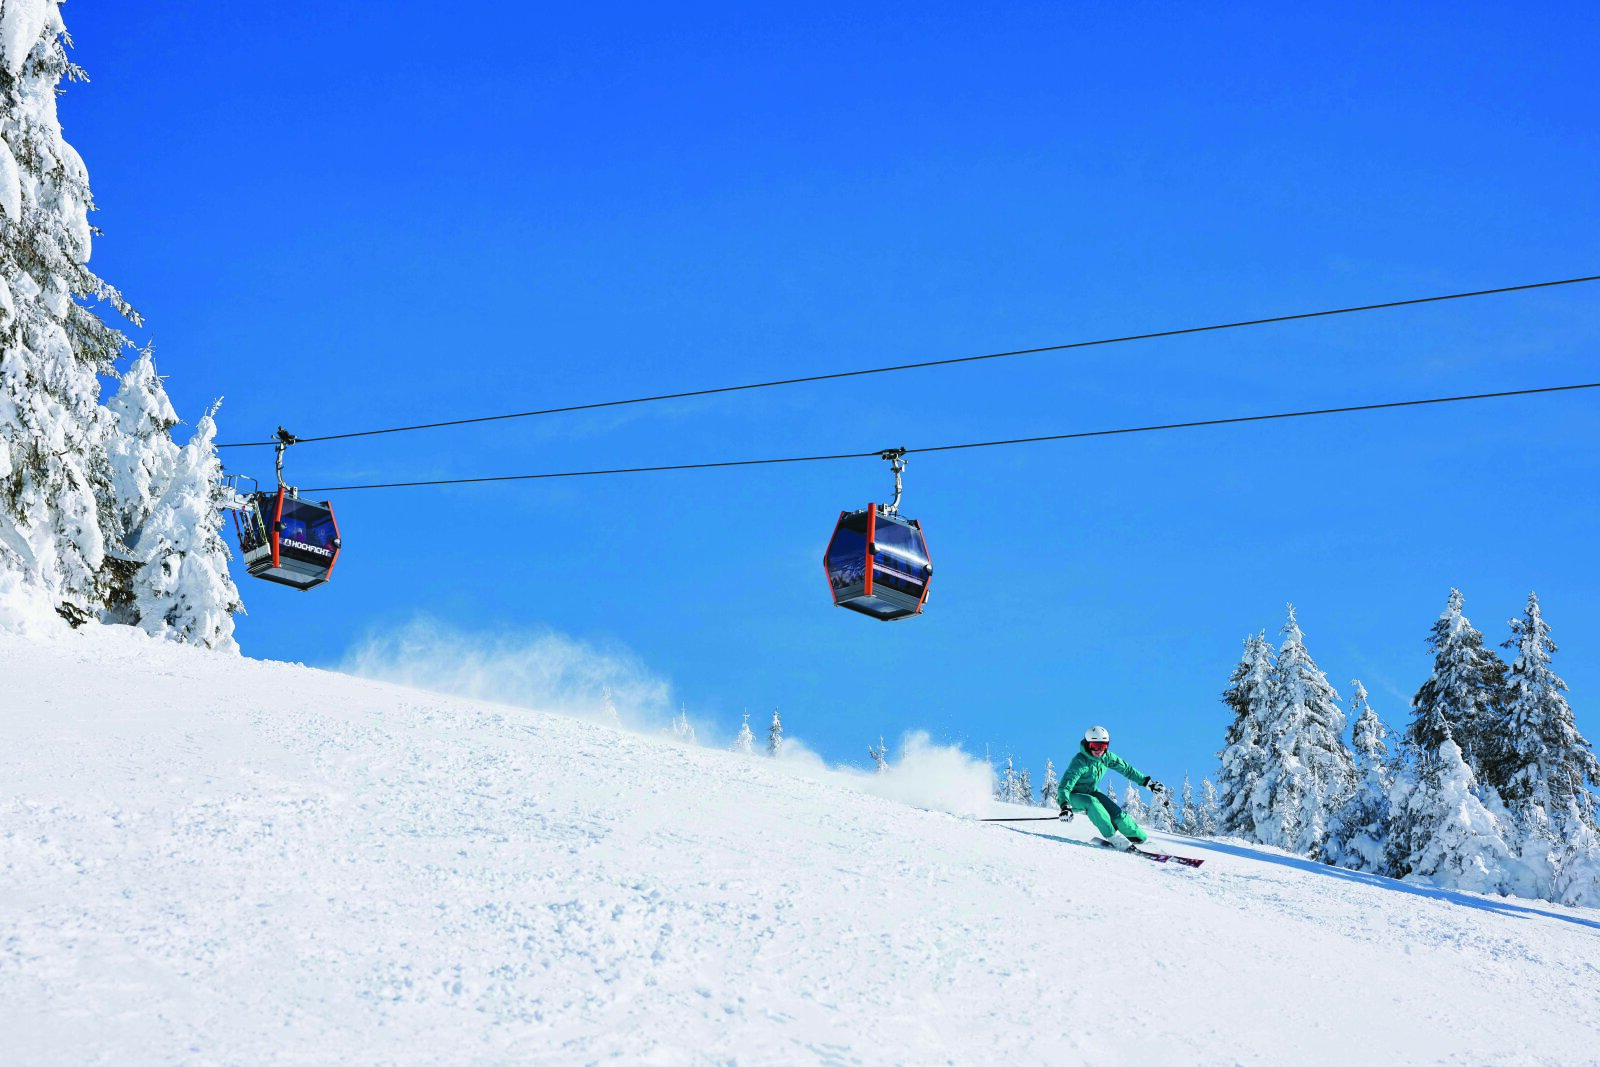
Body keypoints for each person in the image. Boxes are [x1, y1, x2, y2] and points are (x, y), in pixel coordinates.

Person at [1056, 725, 1166, 851]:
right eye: (1095, 746)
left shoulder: (1106, 757)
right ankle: (1114, 838)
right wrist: (1065, 806)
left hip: (1091, 791)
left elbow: (1127, 770)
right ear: (1087, 744)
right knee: (1091, 802)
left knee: (1117, 814)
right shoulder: (1080, 761)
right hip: (1071, 796)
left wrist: (1148, 783)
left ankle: (1141, 841)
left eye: (1102, 746)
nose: (1099, 750)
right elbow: (1065, 786)